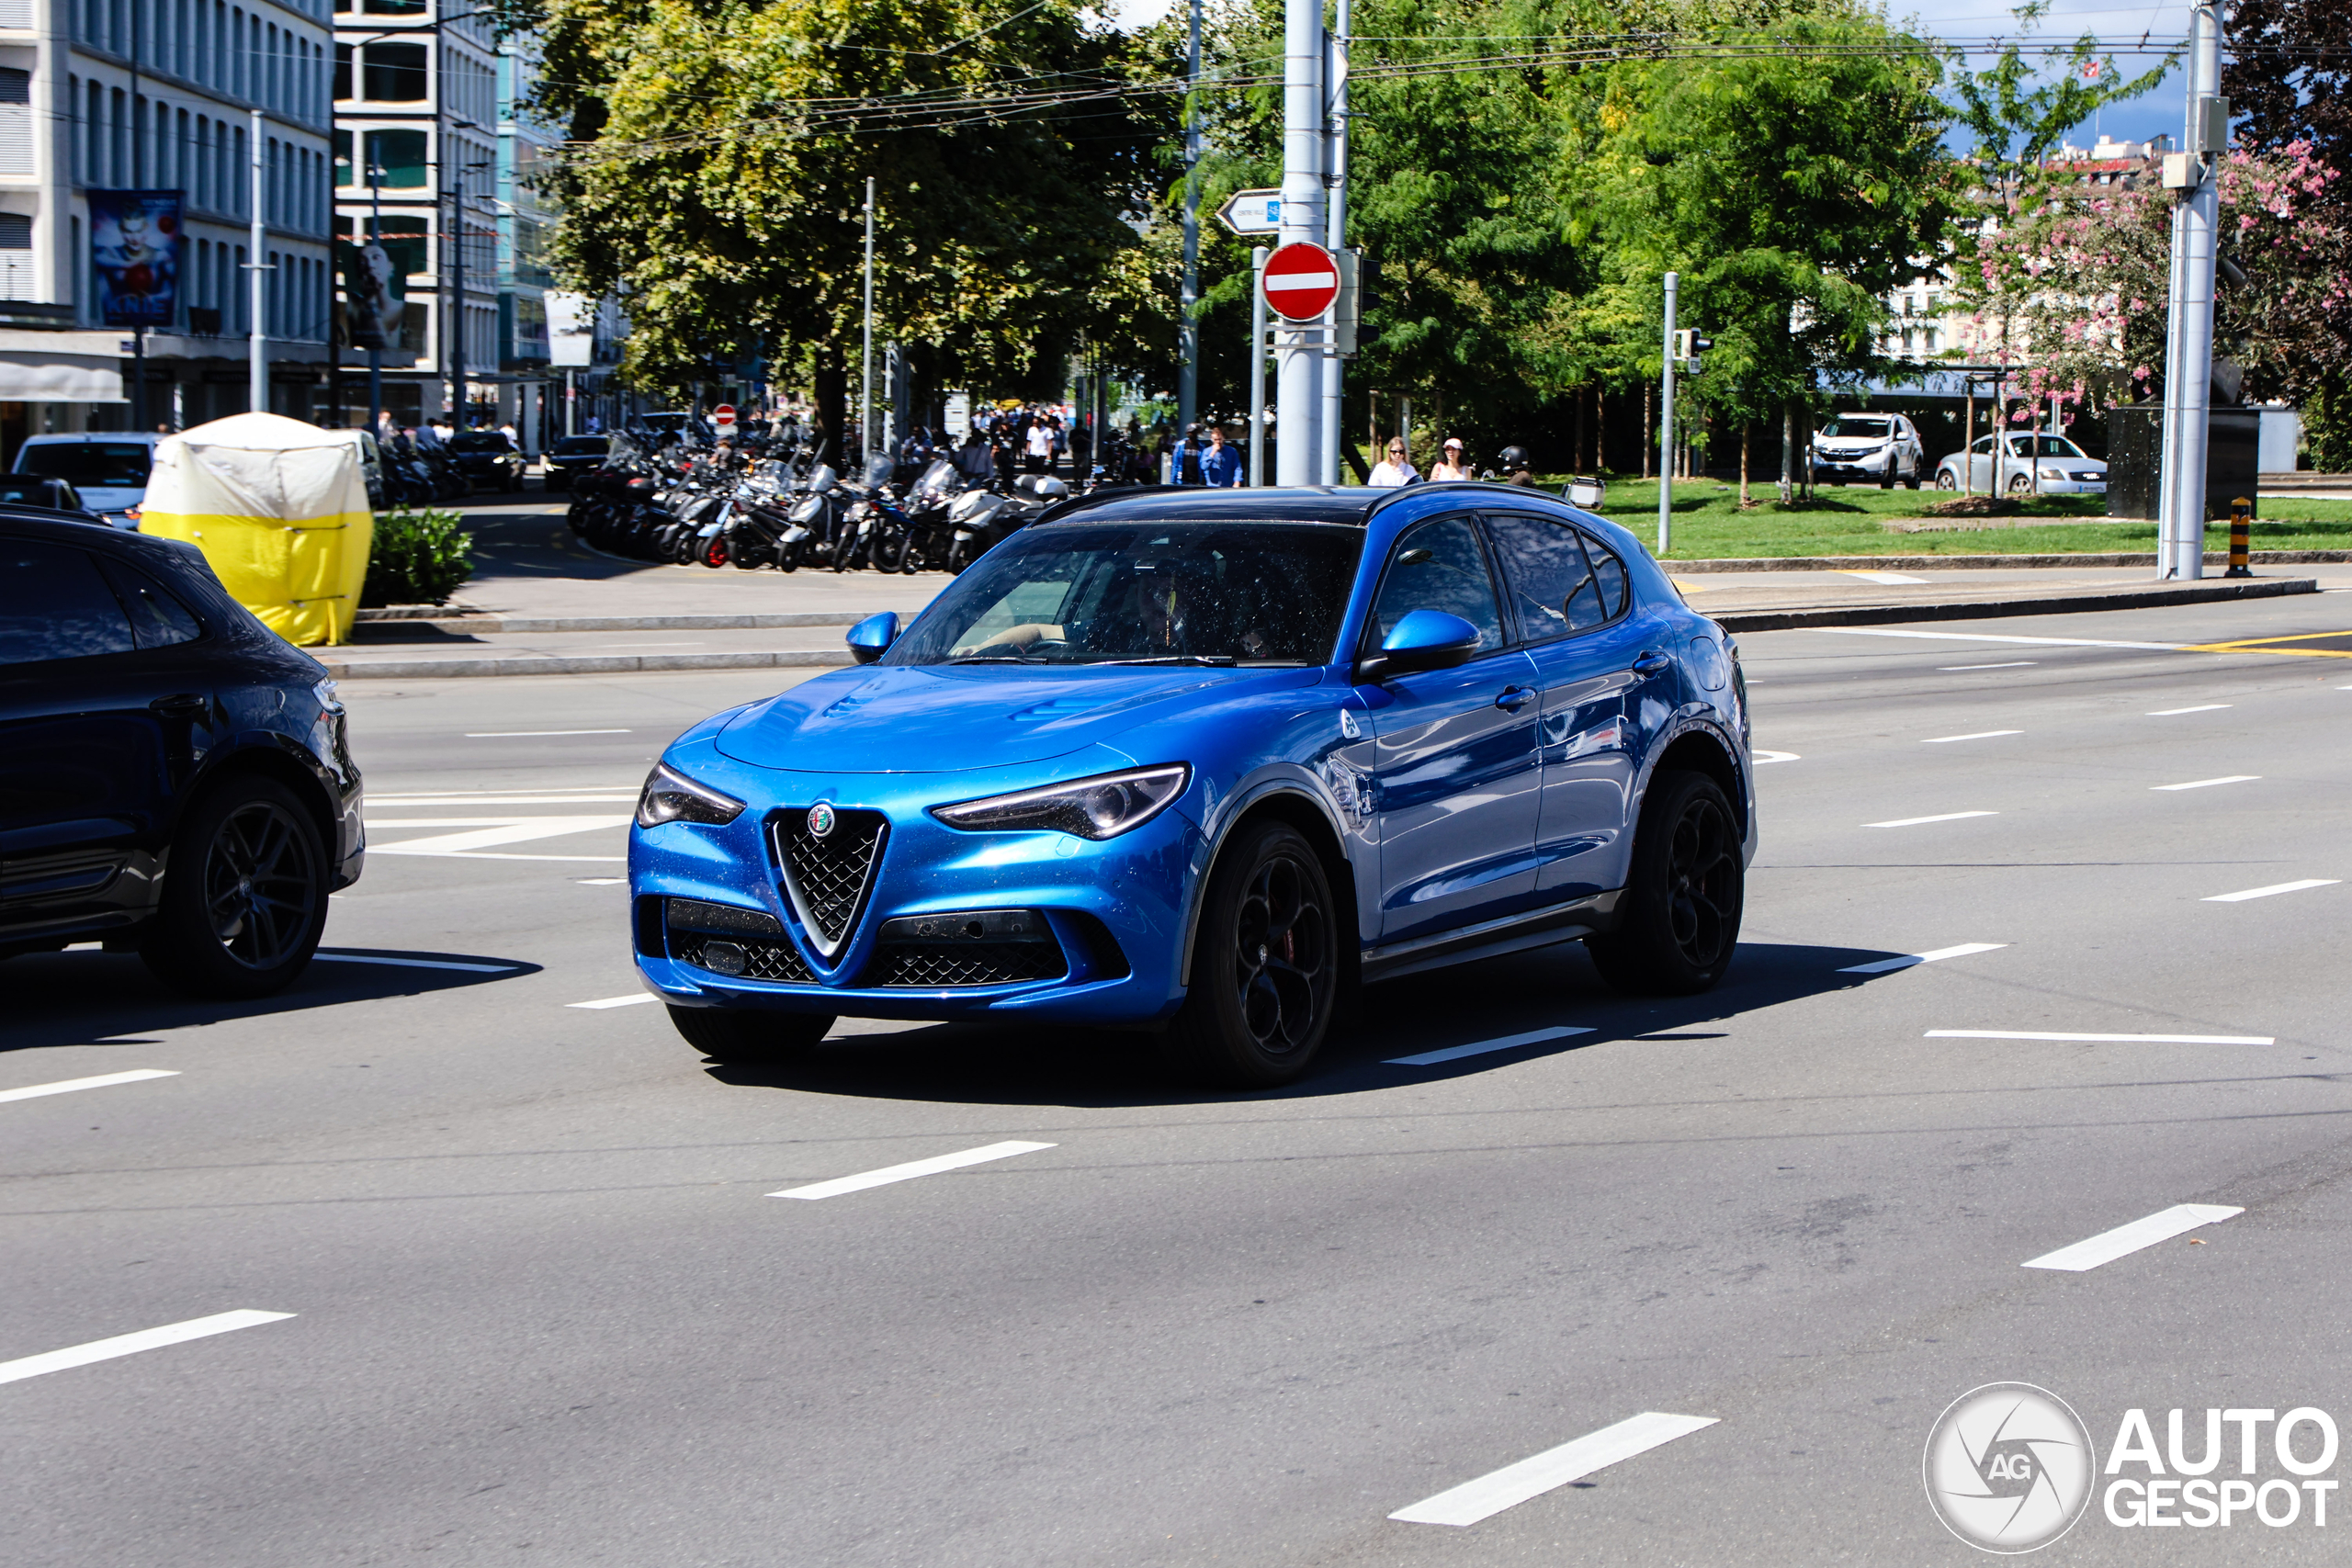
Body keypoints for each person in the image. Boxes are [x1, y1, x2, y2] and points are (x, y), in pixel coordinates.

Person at [1200, 424, 1245, 488]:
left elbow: (1237, 468)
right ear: (1211, 439)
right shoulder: (1207, 451)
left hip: (1227, 485)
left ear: (1223, 438)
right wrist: (1213, 453)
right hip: (1212, 486)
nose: (1218, 442)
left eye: (1220, 439)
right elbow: (1203, 467)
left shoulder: (1231, 451)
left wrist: (1237, 481)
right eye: (1215, 440)